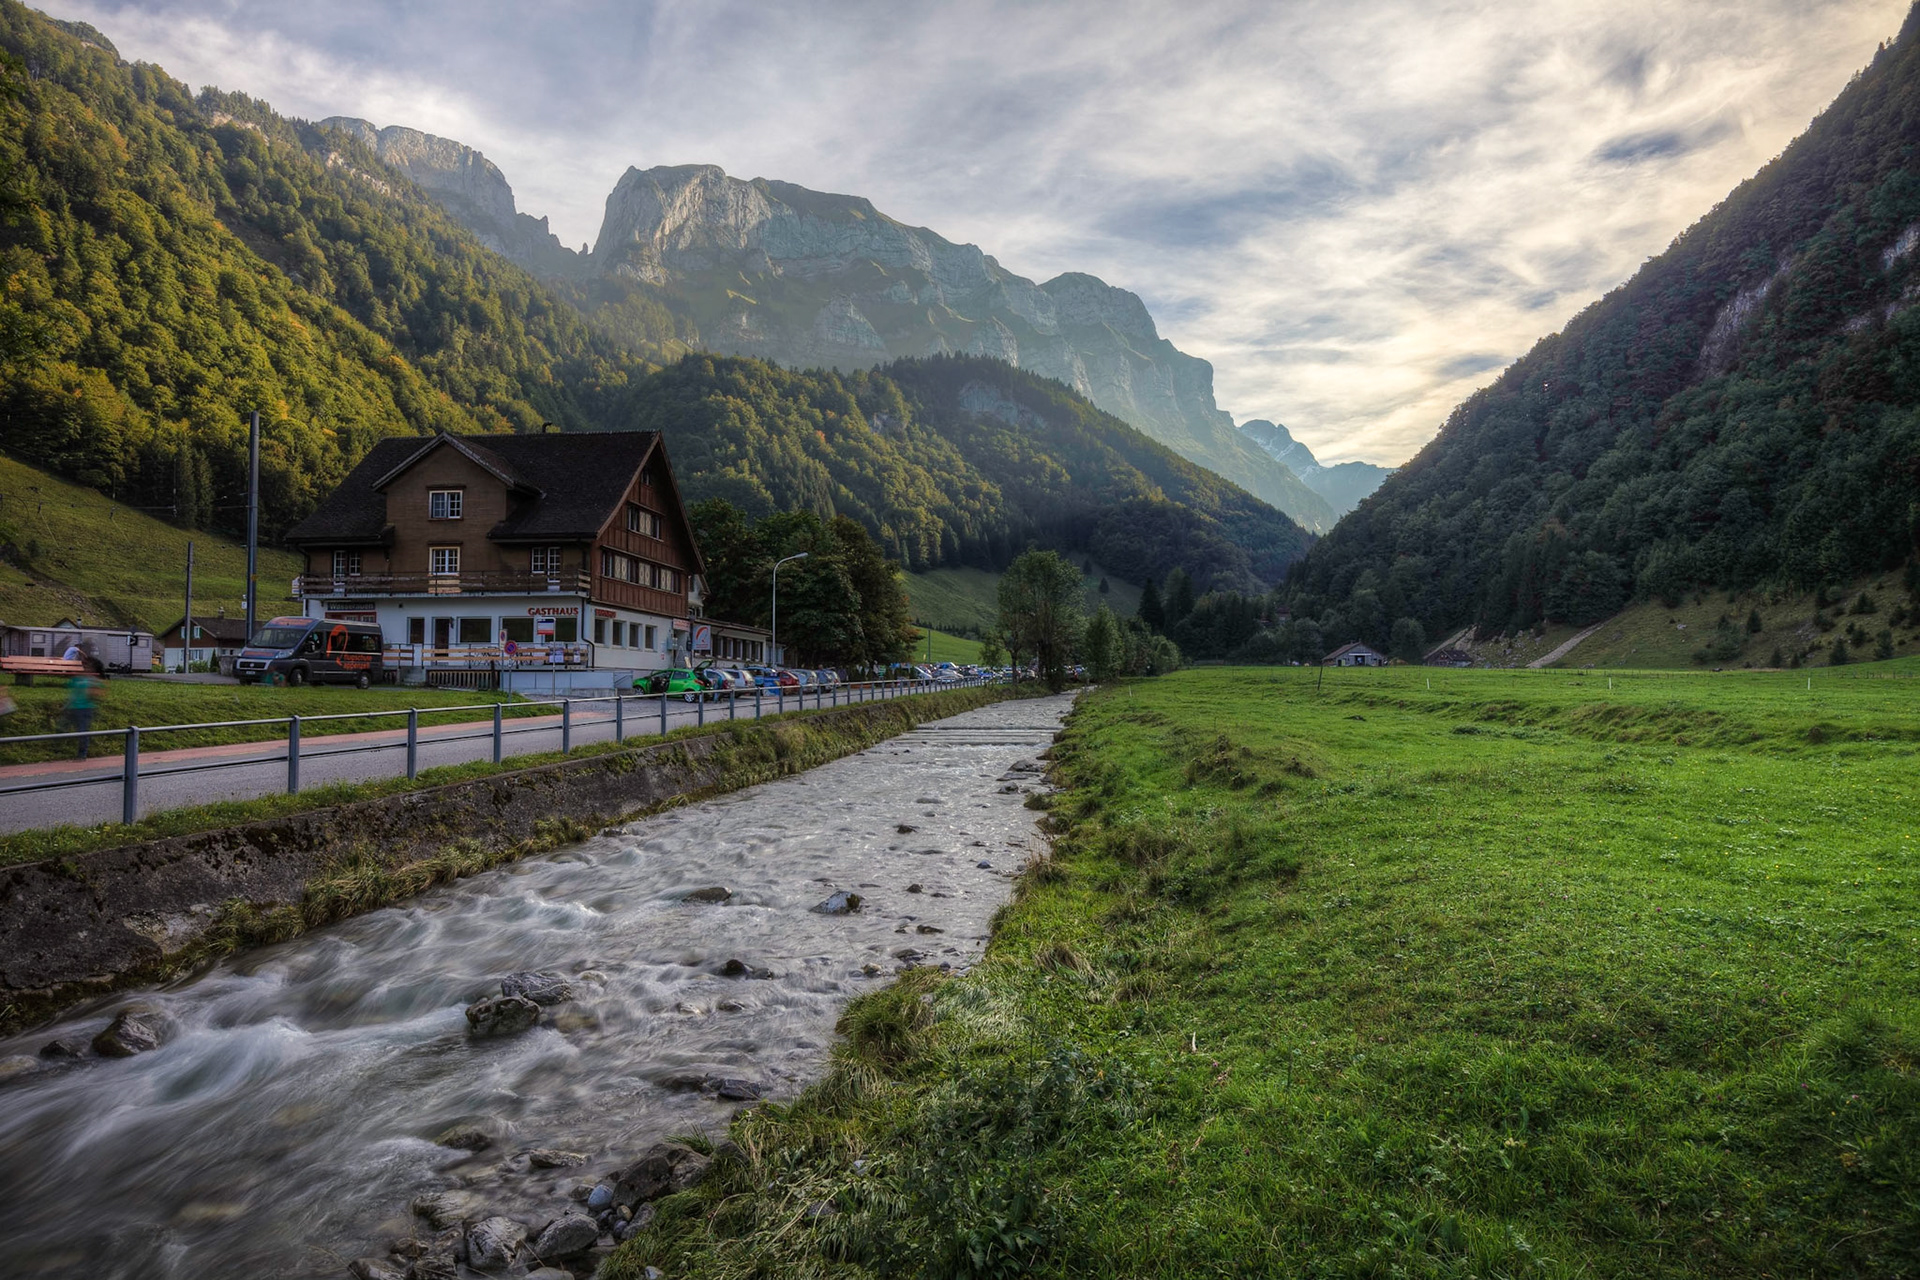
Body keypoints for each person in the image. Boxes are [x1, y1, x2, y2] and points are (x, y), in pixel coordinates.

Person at [65, 667, 101, 760]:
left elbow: (98, 693)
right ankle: (59, 748)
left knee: (82, 730)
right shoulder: (76, 680)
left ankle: (82, 753)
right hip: (74, 708)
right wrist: (66, 706)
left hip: (85, 708)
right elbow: (72, 695)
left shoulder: (90, 681)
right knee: (64, 726)